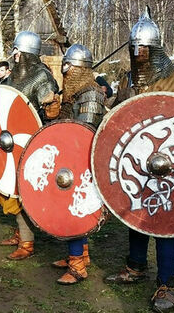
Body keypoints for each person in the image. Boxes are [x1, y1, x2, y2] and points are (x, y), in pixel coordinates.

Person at [106, 9, 174, 312]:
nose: (136, 51)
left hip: (168, 165)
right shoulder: (128, 79)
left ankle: (166, 283)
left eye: (142, 46)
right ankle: (136, 266)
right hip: (136, 161)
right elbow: (118, 118)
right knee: (136, 213)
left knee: (165, 222)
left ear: (155, 48)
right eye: (133, 46)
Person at [0, 31, 61, 260]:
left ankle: (27, 242)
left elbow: (51, 109)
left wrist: (50, 103)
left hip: (32, 140)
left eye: (17, 51)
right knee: (11, 188)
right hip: (10, 140)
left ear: (25, 54)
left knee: (25, 191)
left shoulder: (41, 76)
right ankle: (20, 233)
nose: (14, 55)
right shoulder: (14, 77)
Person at [50, 44, 106, 284]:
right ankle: (80, 254)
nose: (64, 69)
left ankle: (77, 267)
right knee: (70, 208)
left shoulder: (91, 94)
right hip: (69, 157)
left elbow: (84, 132)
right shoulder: (73, 93)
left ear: (79, 68)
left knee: (74, 209)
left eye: (69, 65)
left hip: (81, 160)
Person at [8, 31, 61, 122]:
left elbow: (49, 114)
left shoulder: (42, 75)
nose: (15, 53)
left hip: (31, 128)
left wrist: (47, 113)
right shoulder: (14, 75)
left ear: (28, 53)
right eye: (14, 50)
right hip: (10, 125)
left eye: (18, 51)